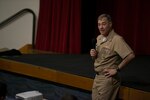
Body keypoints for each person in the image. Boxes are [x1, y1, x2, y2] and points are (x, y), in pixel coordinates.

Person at [90, 14, 135, 100]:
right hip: (97, 77)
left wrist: (117, 69)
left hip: (108, 79)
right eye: (99, 24)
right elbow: (98, 59)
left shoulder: (116, 39)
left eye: (103, 24)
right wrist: (94, 55)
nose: (101, 27)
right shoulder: (99, 38)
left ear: (110, 24)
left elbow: (131, 55)